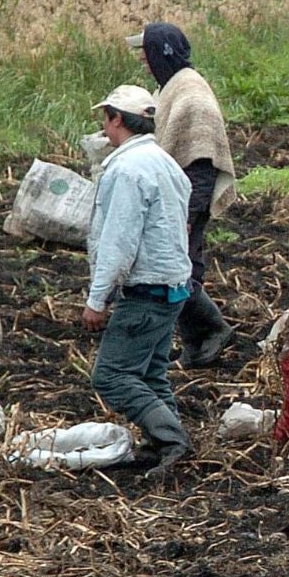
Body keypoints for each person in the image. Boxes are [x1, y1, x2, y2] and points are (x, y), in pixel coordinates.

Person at [84, 85, 196, 477]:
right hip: (174, 287)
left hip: (146, 290)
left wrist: (97, 299)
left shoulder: (128, 169)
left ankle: (171, 440)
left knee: (111, 375)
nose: (104, 127)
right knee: (150, 373)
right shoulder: (165, 162)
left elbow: (119, 240)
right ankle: (162, 442)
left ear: (117, 119)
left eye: (106, 118)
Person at [126, 22, 237, 368]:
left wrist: (188, 215)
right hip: (178, 197)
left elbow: (201, 161)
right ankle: (195, 346)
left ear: (163, 54)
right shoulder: (171, 87)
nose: (144, 61)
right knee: (182, 268)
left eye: (146, 54)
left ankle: (215, 329)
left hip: (188, 198)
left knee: (177, 271)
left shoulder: (192, 97)